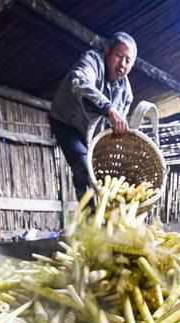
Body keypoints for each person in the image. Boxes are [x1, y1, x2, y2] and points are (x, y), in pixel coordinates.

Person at [50, 32, 136, 200]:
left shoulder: (126, 93)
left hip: (92, 135)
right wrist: (110, 109)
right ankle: (89, 221)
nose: (123, 64)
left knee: (99, 177)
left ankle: (102, 217)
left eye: (128, 61)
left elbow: (117, 125)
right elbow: (79, 82)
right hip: (67, 122)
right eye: (119, 56)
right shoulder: (93, 60)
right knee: (83, 167)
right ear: (108, 52)